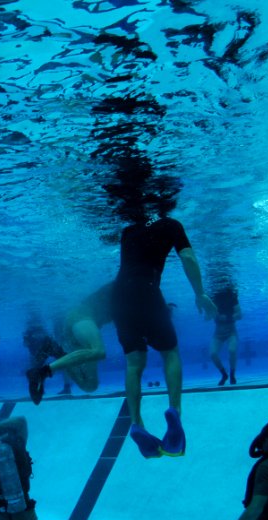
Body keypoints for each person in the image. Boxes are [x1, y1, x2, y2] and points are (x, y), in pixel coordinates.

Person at [111, 187, 216, 459]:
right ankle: (174, 411)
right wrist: (200, 293)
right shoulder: (171, 225)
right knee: (169, 353)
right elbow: (189, 257)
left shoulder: (128, 232)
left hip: (119, 297)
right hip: (146, 290)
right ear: (166, 206)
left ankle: (136, 423)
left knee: (134, 363)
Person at [27, 283, 113, 403]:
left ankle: (55, 350)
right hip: (82, 317)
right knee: (98, 351)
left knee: (90, 385)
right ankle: (42, 372)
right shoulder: (126, 283)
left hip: (82, 320)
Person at [210, 285, 242, 385]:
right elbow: (208, 315)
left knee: (232, 350)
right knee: (213, 354)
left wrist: (227, 317)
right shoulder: (213, 297)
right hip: (218, 332)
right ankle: (224, 374)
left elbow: (240, 315)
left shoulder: (232, 297)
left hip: (231, 331)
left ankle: (232, 374)